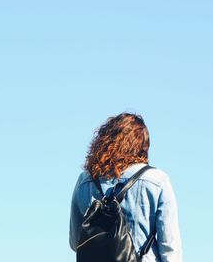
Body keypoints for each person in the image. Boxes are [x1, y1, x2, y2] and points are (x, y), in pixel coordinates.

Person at [69, 112, 183, 262]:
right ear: (142, 146)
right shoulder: (157, 180)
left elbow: (75, 241)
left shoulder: (85, 180)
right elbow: (169, 247)